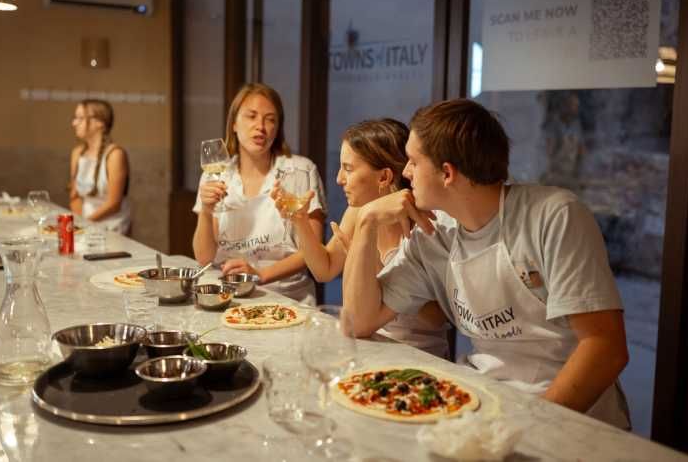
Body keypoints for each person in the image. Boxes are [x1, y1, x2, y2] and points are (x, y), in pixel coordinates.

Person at [343, 99, 631, 428]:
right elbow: (358, 322)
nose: (405, 173)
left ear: (447, 173)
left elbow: (605, 347)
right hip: (486, 404)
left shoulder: (555, 215)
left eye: (412, 161)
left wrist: (530, 428)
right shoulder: (433, 232)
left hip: (572, 422)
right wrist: (366, 222)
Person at [272, 118, 450, 357]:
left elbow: (437, 318)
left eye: (348, 169)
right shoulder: (357, 213)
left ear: (384, 177)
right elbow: (324, 269)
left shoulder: (424, 220)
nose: (338, 179)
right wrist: (299, 220)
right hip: (366, 343)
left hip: (419, 354)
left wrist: (376, 268)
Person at [192, 83, 326, 305]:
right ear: (234, 123)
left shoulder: (300, 171)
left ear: (278, 127)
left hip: (288, 298)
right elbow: (204, 257)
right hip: (227, 297)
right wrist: (206, 211)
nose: (260, 127)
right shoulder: (216, 174)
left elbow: (314, 250)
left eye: (270, 119)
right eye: (251, 116)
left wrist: (259, 274)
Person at [68, 99, 131, 233]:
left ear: (99, 123)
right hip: (84, 224)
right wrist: (81, 223)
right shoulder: (77, 153)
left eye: (80, 118)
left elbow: (114, 204)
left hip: (113, 228)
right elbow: (74, 195)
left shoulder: (115, 154)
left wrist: (84, 223)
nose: (74, 123)